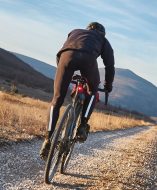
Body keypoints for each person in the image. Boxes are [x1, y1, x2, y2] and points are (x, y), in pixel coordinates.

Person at [40, 22, 115, 160]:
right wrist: (108, 86)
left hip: (65, 57)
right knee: (92, 91)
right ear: (102, 34)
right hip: (89, 60)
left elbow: (61, 53)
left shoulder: (74, 32)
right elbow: (109, 65)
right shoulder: (103, 40)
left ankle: (47, 140)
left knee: (56, 99)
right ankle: (82, 125)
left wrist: (64, 72)